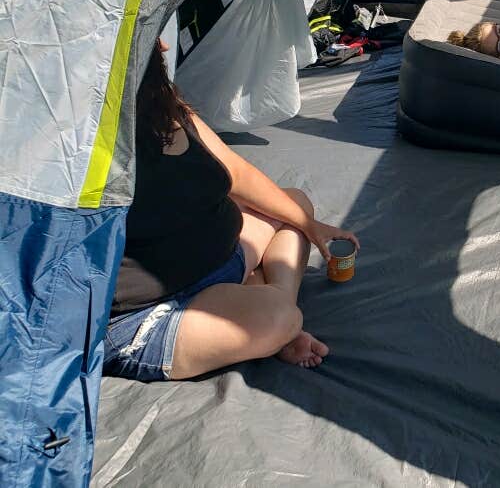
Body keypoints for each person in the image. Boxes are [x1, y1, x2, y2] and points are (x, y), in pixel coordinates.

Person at [103, 38, 359, 382]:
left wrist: (313, 228)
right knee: (279, 319)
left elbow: (236, 172)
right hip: (153, 311)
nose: (164, 44)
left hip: (223, 259)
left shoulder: (165, 107)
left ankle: (267, 303)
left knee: (295, 205)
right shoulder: (90, 142)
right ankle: (275, 320)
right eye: (149, 37)